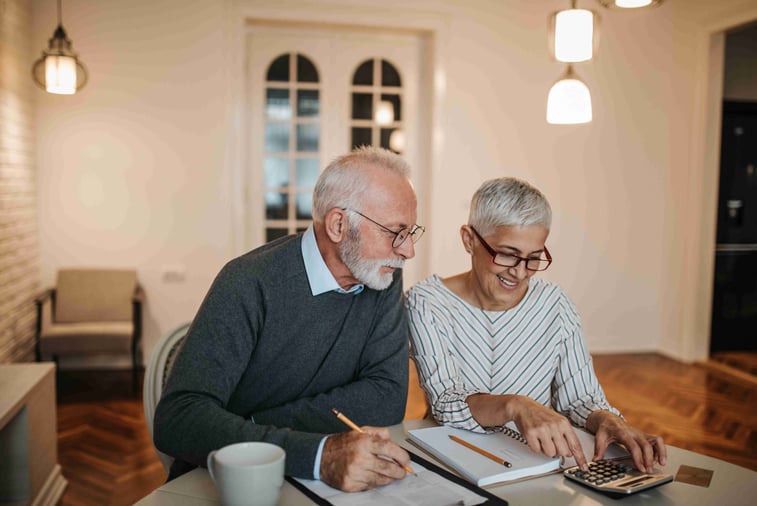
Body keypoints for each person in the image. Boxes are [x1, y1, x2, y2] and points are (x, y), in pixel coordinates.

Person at [154, 146, 425, 492]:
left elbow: (386, 398)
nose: (408, 251)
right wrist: (316, 453)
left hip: (321, 479)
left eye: (411, 232)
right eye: (395, 232)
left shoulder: (382, 276)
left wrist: (252, 425)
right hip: (231, 483)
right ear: (339, 224)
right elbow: (178, 419)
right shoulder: (248, 282)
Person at [406, 177, 666, 473]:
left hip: (537, 461)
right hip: (454, 458)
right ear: (469, 240)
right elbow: (446, 402)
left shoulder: (555, 304)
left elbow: (580, 398)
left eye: (533, 258)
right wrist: (515, 405)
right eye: (507, 254)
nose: (520, 272)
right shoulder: (427, 302)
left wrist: (607, 419)